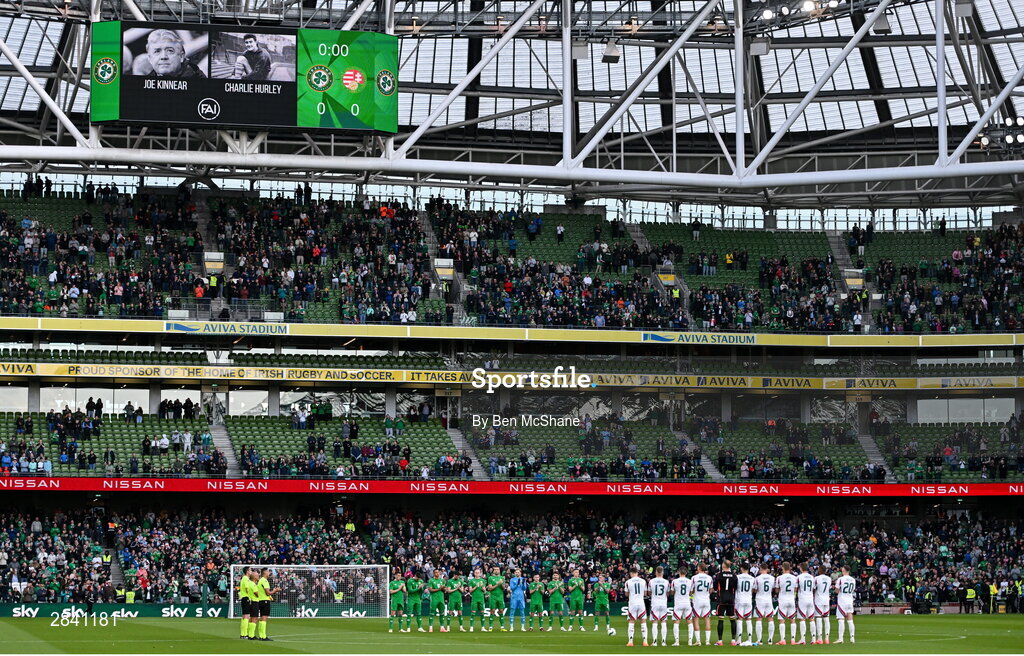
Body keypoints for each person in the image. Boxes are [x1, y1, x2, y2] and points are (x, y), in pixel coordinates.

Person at [714, 559, 738, 646]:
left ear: (723, 566)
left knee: (721, 619)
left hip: (722, 599)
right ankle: (733, 641)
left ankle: (720, 641)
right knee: (732, 619)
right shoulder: (734, 576)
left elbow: (715, 587)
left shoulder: (719, 575)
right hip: (731, 599)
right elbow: (735, 588)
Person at [776, 562, 799, 645]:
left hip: (783, 600)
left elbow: (776, 590)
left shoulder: (779, 578)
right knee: (792, 620)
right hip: (791, 599)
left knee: (782, 620)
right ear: (789, 568)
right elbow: (796, 589)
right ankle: (793, 640)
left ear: (783, 568)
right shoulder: (795, 578)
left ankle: (783, 640)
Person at [625, 565, 648, 647]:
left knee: (631, 622)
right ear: (637, 573)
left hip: (632, 603)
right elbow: (645, 593)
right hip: (641, 603)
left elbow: (626, 594)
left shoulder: (628, 582)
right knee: (643, 622)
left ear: (631, 573)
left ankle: (630, 641)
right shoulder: (643, 581)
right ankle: (645, 642)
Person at [691, 563, 714, 646]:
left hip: (697, 600)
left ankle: (698, 641)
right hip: (706, 600)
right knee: (707, 619)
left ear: (699, 568)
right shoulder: (709, 578)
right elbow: (711, 590)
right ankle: (707, 641)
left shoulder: (694, 577)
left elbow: (691, 590)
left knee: (696, 619)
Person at [754, 563, 776, 646]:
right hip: (768, 599)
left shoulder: (757, 578)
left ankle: (759, 640)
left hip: (760, 599)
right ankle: (770, 640)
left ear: (760, 569)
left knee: (759, 619)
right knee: (770, 619)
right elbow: (773, 589)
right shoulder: (772, 578)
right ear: (767, 569)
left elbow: (755, 589)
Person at [671, 565, 693, 646]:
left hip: (678, 603)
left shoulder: (674, 581)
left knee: (676, 622)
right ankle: (690, 641)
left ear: (679, 572)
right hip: (687, 603)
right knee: (689, 622)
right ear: (686, 573)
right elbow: (691, 592)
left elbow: (672, 592)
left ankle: (677, 641)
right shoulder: (690, 581)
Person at [834, 566, 856, 644]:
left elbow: (836, 591)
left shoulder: (840, 579)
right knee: (850, 620)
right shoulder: (853, 580)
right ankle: (852, 638)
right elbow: (853, 590)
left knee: (841, 619)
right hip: (850, 600)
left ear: (844, 570)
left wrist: (837, 590)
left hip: (842, 600)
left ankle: (841, 638)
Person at [648, 566, 670, 646]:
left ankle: (654, 642)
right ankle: (663, 642)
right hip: (663, 603)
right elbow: (668, 593)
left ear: (656, 572)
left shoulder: (651, 581)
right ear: (663, 572)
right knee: (663, 622)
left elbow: (649, 593)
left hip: (655, 603)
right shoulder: (666, 582)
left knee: (654, 622)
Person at [735, 563, 756, 646]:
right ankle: (749, 639)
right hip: (748, 600)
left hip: (740, 599)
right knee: (748, 620)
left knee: (739, 619)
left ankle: (739, 639)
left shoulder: (737, 577)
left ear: (742, 568)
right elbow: (754, 590)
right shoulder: (752, 578)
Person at [796, 563, 816, 645]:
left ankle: (803, 639)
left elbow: (796, 588)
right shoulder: (812, 577)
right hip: (810, 598)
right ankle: (813, 639)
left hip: (803, 599)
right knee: (811, 619)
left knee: (802, 619)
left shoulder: (799, 577)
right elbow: (814, 588)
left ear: (801, 568)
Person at [814, 567, 832, 644]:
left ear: (819, 570)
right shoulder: (829, 579)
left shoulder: (816, 578)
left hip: (819, 600)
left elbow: (814, 589)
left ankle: (820, 638)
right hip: (826, 599)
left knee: (818, 618)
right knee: (826, 618)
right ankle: (827, 638)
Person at [486, 565, 507, 632]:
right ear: (493, 571)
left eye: (497, 569)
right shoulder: (490, 578)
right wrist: (498, 584)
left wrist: (502, 584)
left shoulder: (502, 578)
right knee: (492, 611)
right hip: (493, 597)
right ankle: (490, 627)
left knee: (501, 611)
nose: (496, 570)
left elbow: (503, 589)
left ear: (499, 570)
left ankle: (502, 627)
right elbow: (490, 588)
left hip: (500, 597)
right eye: (495, 569)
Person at [238, 566, 255, 639]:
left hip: (245, 598)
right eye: (250, 570)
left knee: (245, 616)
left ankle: (243, 634)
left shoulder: (245, 579)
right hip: (246, 598)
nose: (251, 572)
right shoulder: (245, 579)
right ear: (247, 571)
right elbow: (247, 589)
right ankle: (244, 634)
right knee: (246, 616)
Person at [467, 568, 486, 632]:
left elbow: (485, 591)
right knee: (473, 613)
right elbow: (470, 591)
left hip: (481, 599)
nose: (477, 574)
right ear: (474, 573)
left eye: (478, 572)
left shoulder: (482, 580)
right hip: (474, 599)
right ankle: (471, 627)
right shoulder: (471, 581)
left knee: (482, 613)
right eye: (476, 572)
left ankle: (483, 627)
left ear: (480, 573)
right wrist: (476, 586)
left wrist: (482, 587)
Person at [388, 568, 406, 633]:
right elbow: (391, 591)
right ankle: (390, 628)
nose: (399, 577)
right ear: (395, 576)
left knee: (400, 614)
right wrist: (399, 588)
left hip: (401, 600)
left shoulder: (402, 582)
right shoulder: (392, 583)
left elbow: (404, 591)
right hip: (395, 600)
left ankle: (400, 628)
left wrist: (403, 587)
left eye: (400, 576)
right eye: (398, 576)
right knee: (393, 614)